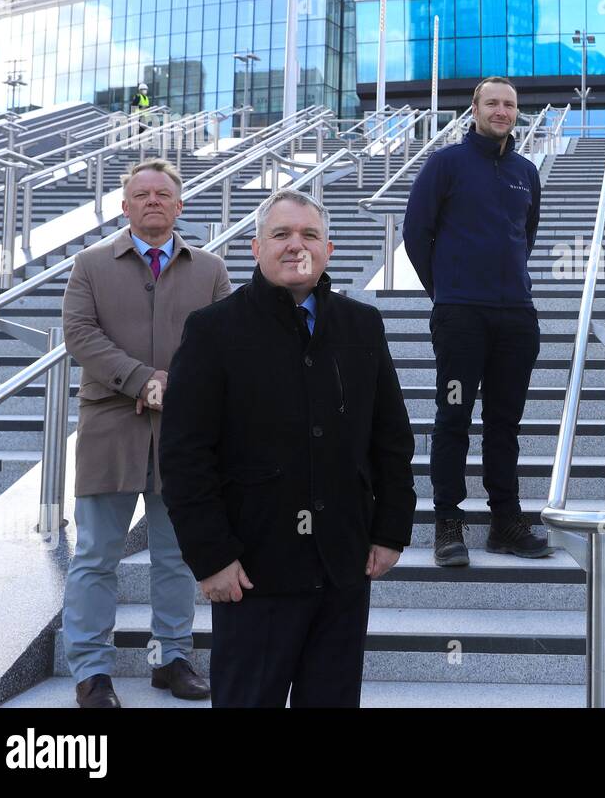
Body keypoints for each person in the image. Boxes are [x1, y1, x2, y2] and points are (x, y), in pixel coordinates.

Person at [160, 189, 416, 708]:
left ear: (329, 250)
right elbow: (185, 456)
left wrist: (391, 530)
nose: (295, 245)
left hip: (342, 569)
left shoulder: (361, 325)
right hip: (253, 573)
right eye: (281, 234)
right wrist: (211, 558)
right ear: (255, 248)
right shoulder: (212, 330)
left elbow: (391, 438)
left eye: (309, 235)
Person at [61, 159, 232, 708]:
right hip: (110, 428)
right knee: (95, 557)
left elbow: (229, 343)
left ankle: (173, 659)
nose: (152, 200)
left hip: (185, 434)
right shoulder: (90, 265)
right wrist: (140, 379)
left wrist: (177, 386)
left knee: (177, 554)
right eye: (141, 194)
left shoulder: (208, 269)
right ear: (124, 206)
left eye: (163, 194)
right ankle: (92, 671)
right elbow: (79, 334)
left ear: (180, 206)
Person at [403, 76, 548, 567]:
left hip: (515, 317)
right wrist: (444, 291)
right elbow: (416, 233)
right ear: (475, 109)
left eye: (509, 103)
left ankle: (506, 521)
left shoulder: (526, 171)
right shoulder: (446, 163)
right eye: (493, 102)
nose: (502, 110)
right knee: (454, 419)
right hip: (461, 315)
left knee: (505, 424)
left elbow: (524, 237)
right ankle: (448, 522)